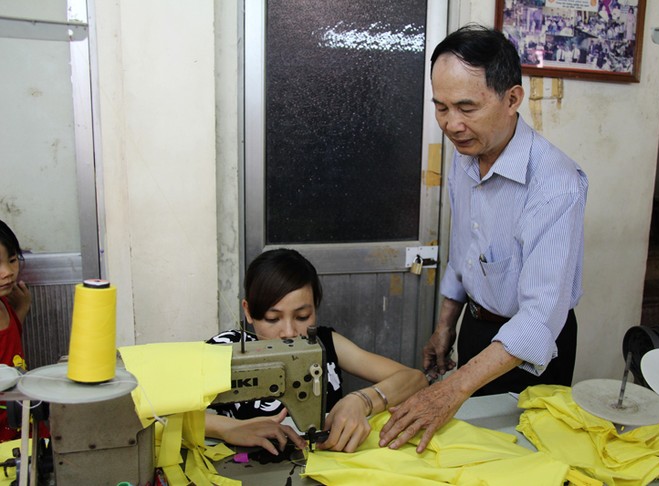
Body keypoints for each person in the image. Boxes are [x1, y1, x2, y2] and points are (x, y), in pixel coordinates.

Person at [379, 25, 588, 453]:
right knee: (460, 455)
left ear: (512, 99)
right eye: (441, 107)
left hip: (531, 352)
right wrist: (445, 327)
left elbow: (538, 320)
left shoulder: (555, 184)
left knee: (518, 460)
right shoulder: (467, 156)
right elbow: (466, 252)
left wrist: (449, 389)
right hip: (476, 330)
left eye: (466, 107)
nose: (452, 125)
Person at [205, 248, 428, 455]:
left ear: (315, 309)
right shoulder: (225, 349)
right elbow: (171, 410)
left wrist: (361, 401)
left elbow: (415, 379)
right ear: (248, 311)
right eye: (273, 319)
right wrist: (229, 428)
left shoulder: (325, 343)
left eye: (302, 317)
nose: (289, 332)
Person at [0, 220, 31, 441]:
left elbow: (11, 350)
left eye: (12, 260)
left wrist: (21, 309)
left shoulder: (6, 306)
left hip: (23, 424)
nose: (8, 273)